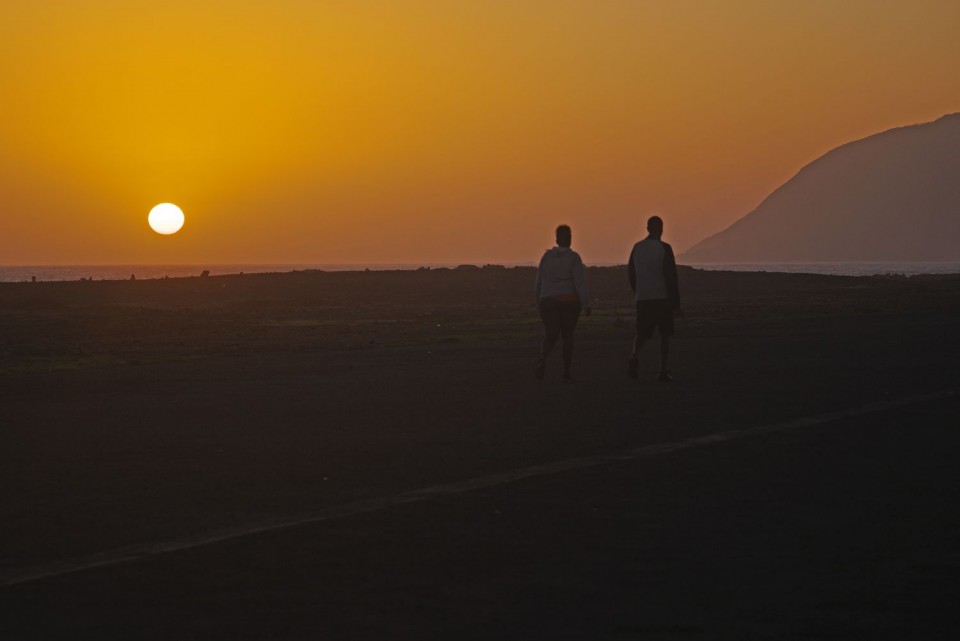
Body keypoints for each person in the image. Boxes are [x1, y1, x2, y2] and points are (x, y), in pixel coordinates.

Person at [627, 215, 681, 382]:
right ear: (661, 229)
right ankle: (662, 370)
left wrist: (638, 291)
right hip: (662, 296)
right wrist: (676, 303)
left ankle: (635, 356)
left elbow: (631, 273)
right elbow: (671, 276)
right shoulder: (665, 248)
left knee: (642, 332)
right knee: (664, 334)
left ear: (647, 228)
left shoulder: (637, 248)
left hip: (643, 297)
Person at [534, 225, 591, 382]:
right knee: (567, 336)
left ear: (556, 238)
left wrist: (538, 300)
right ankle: (566, 370)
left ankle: (543, 357)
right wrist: (586, 303)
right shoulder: (574, 258)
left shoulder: (546, 257)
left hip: (548, 300)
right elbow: (580, 282)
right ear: (570, 239)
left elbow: (539, 280)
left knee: (550, 335)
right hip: (569, 302)